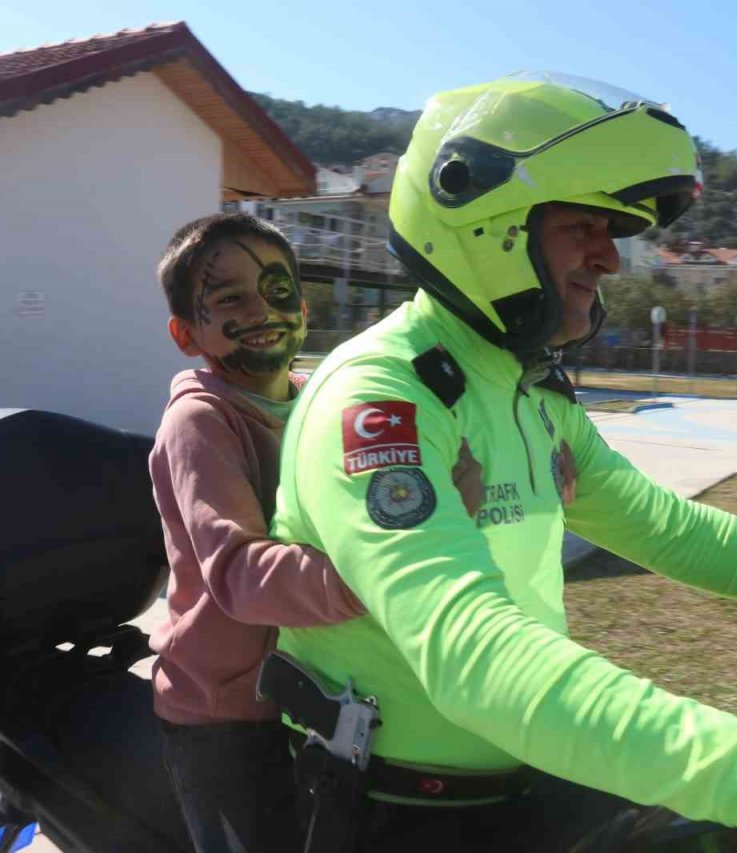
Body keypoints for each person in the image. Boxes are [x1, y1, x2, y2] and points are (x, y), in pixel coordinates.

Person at [269, 74, 737, 851]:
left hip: (528, 772)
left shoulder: (527, 388)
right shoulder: (383, 397)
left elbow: (667, 528)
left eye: (616, 232)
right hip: (401, 810)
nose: (610, 258)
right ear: (482, 218)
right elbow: (472, 655)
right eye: (585, 227)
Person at [149, 213, 484, 853]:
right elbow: (241, 575)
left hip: (313, 698)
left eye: (277, 290)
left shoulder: (319, 401)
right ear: (187, 333)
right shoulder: (199, 422)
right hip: (223, 713)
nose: (262, 309)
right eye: (229, 299)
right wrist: (387, 571)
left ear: (303, 305)